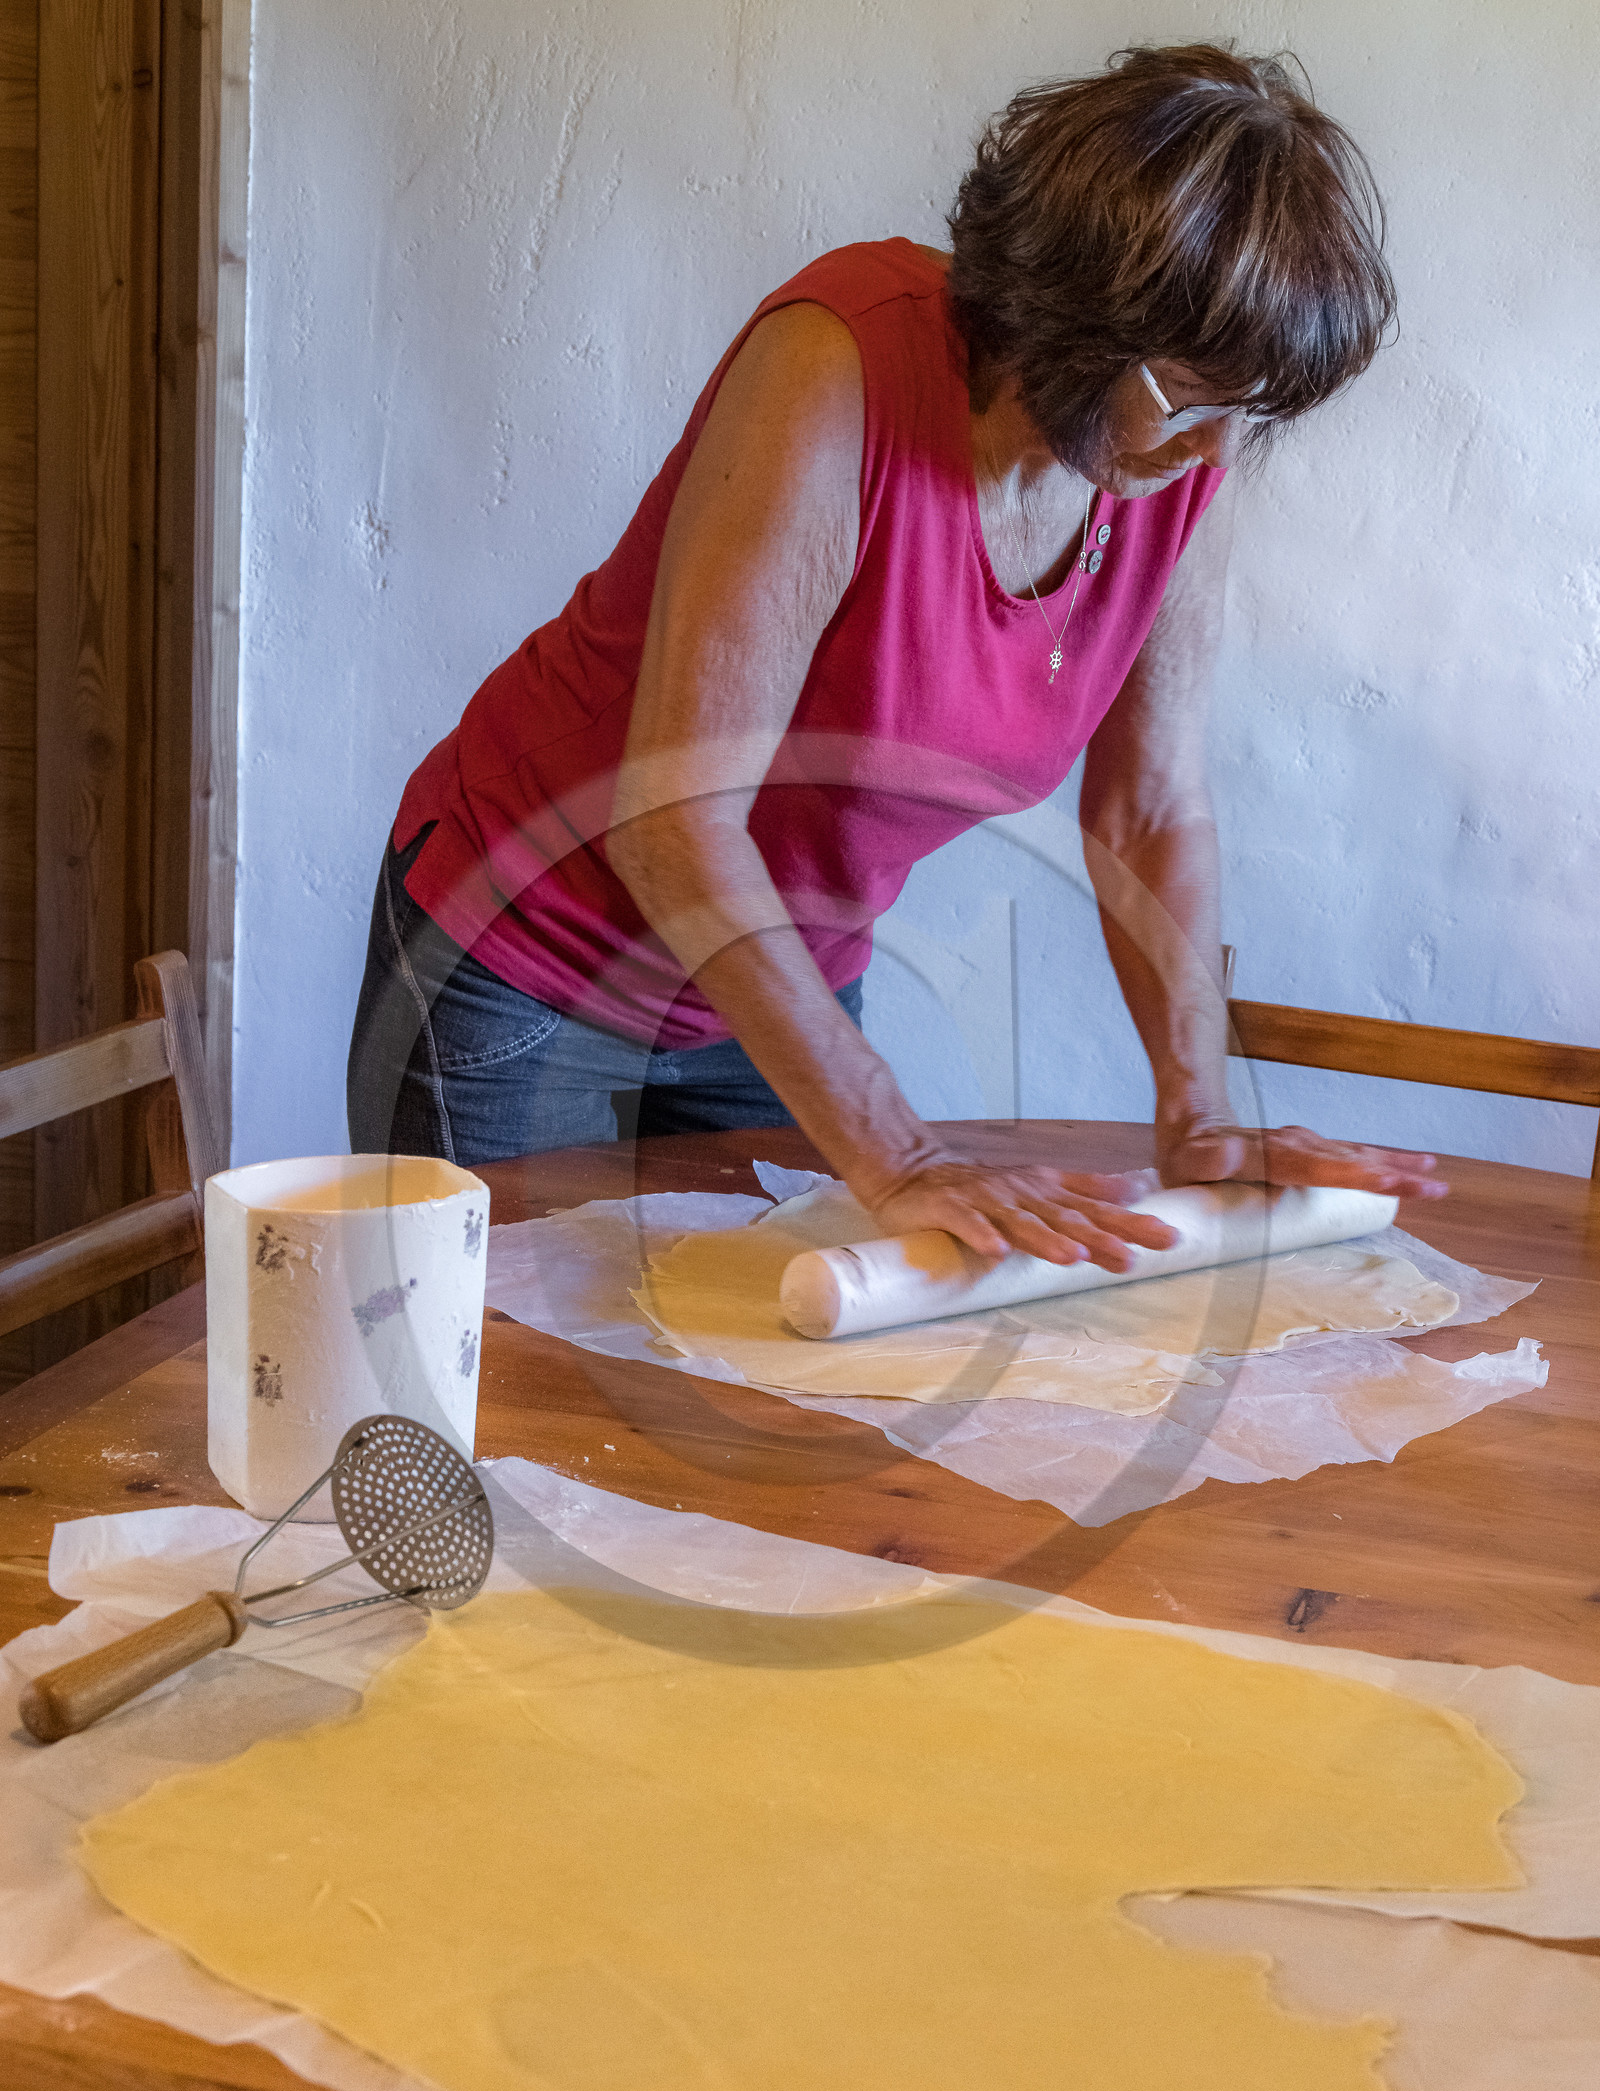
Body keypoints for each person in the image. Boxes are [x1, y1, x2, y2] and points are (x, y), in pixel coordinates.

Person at [347, 39, 1446, 1276]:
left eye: (1242, 415)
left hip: (767, 984)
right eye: (1188, 401)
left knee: (764, 1379)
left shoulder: (1176, 467)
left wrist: (1197, 1123)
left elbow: (1149, 810)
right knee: (512, 1373)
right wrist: (897, 1151)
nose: (1212, 454)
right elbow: (673, 820)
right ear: (1077, 321)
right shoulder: (836, 368)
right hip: (529, 950)